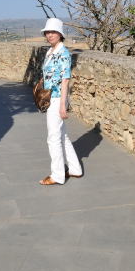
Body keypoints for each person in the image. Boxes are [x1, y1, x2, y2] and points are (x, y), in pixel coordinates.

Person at [39, 18, 83, 185]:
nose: (49, 35)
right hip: (51, 98)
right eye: (47, 32)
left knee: (53, 138)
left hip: (58, 99)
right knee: (62, 135)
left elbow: (65, 80)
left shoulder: (63, 53)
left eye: (53, 32)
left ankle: (57, 175)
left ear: (60, 34)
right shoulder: (50, 52)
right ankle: (75, 169)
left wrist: (63, 106)